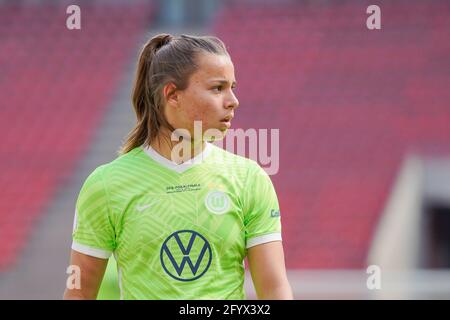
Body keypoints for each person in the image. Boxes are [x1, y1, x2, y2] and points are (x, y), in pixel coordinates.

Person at [63, 34, 293, 300]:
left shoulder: (249, 178)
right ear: (172, 94)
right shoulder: (106, 185)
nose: (233, 100)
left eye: (232, 87)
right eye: (218, 88)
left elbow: (275, 290)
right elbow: (79, 294)